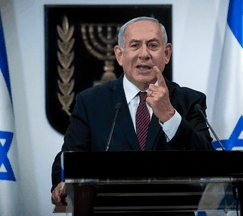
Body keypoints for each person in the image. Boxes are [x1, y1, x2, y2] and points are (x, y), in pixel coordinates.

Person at [51, 16, 214, 206]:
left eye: (153, 45)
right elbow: (68, 158)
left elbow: (208, 162)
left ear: (167, 53)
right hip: (107, 210)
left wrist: (170, 116)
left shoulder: (189, 101)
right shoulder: (90, 102)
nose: (144, 54)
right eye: (135, 45)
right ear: (120, 55)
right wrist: (61, 182)